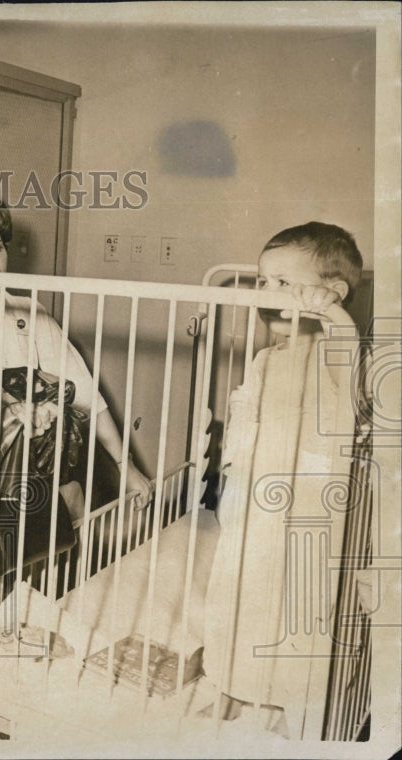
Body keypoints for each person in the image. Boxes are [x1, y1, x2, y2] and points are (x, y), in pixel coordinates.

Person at [201, 222, 363, 735]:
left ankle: (286, 709)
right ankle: (227, 690)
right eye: (262, 281)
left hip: (303, 519)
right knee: (233, 605)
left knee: (294, 618)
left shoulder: (335, 355)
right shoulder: (265, 358)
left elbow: (343, 340)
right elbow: (242, 428)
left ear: (329, 295)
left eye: (281, 284)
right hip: (249, 513)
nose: (265, 295)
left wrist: (330, 314)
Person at [0, 186, 153, 528]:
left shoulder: (31, 312)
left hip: (41, 474)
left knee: (71, 520)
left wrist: (123, 465)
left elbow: (86, 394)